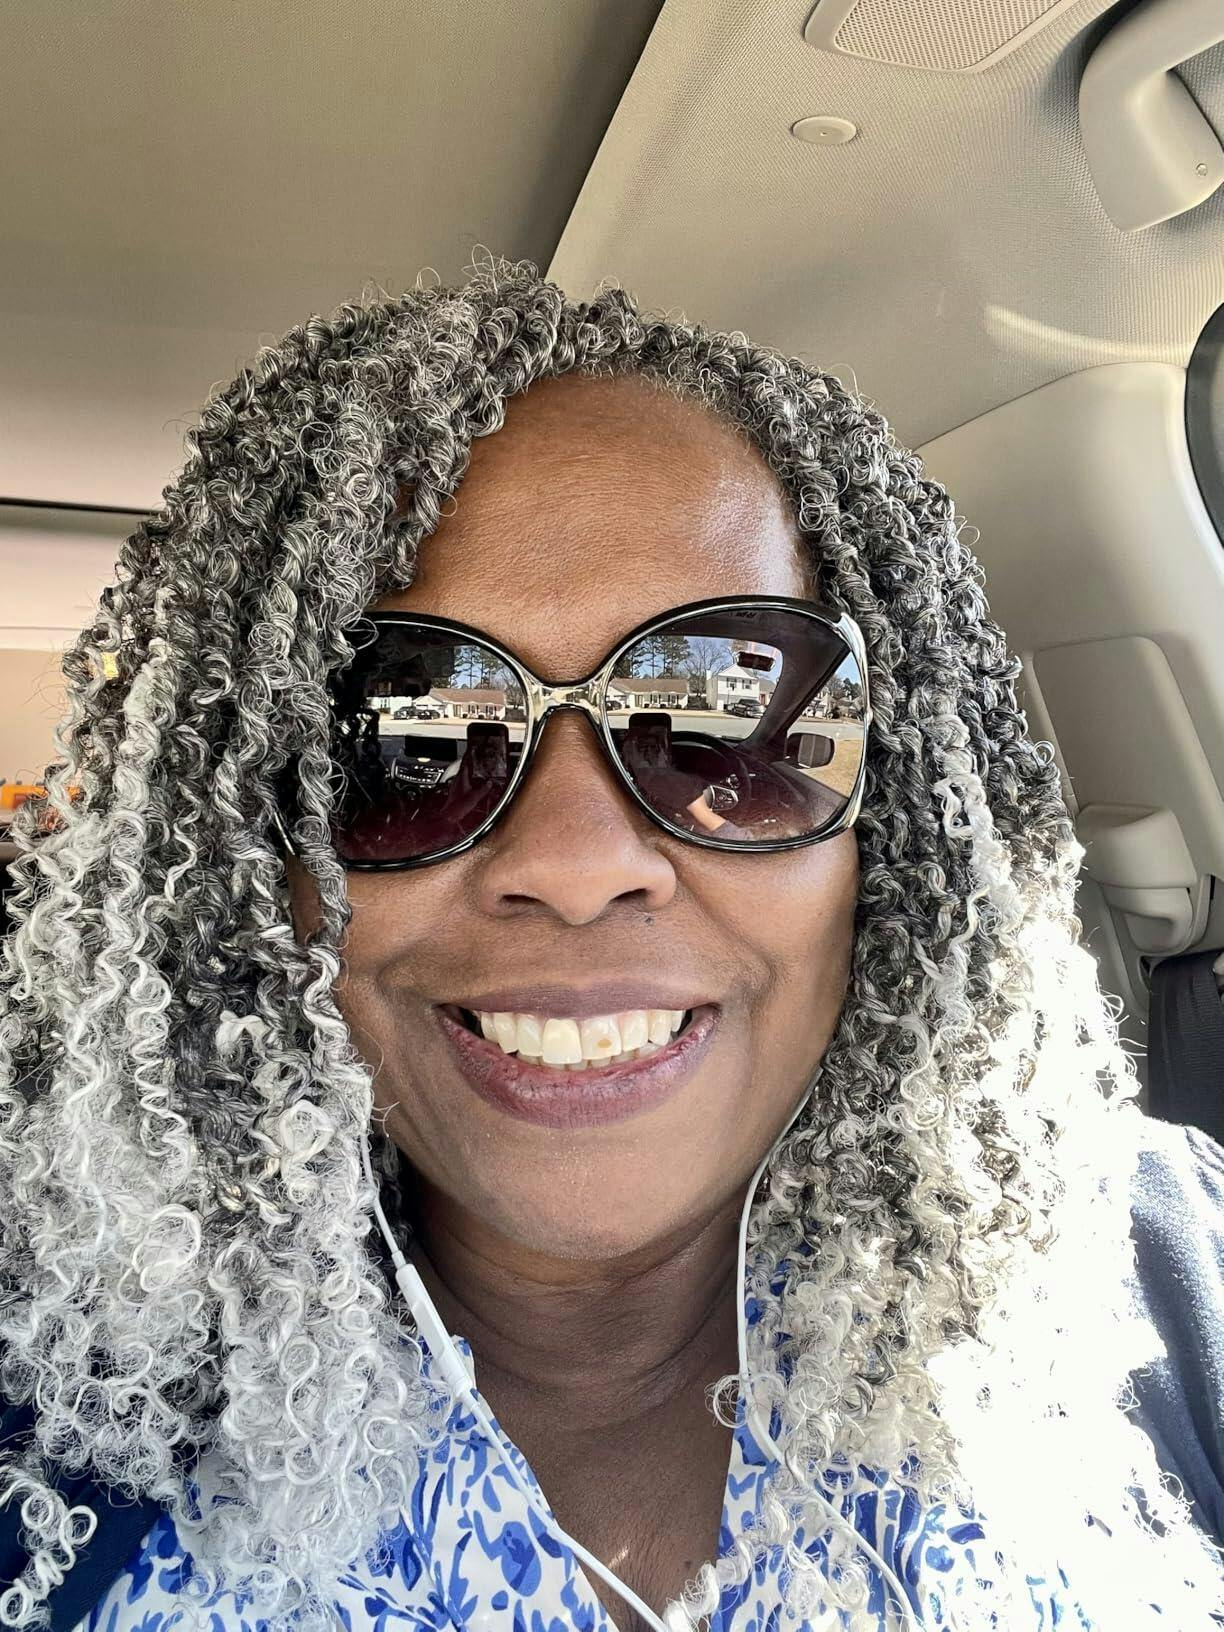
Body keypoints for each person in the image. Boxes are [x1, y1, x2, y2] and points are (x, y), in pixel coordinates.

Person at [0, 255, 1221, 1632]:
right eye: (407, 743)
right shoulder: (55, 1397)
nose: (577, 866)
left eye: (725, 726)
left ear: (894, 835)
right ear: (247, 864)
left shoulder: (1163, 1275)